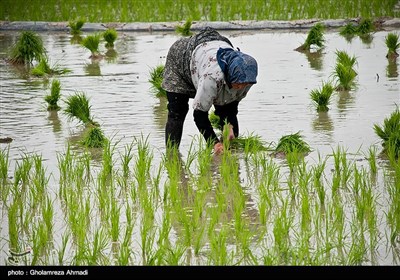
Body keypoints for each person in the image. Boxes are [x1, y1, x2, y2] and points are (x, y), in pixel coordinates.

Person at [162, 27, 258, 154]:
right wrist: (214, 143)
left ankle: (230, 161)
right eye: (238, 84)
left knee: (227, 116)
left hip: (210, 49)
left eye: (245, 84)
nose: (241, 87)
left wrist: (229, 125)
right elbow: (199, 114)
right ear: (230, 76)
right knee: (177, 111)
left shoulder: (247, 76)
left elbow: (231, 106)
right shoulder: (213, 78)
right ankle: (172, 156)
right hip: (181, 59)